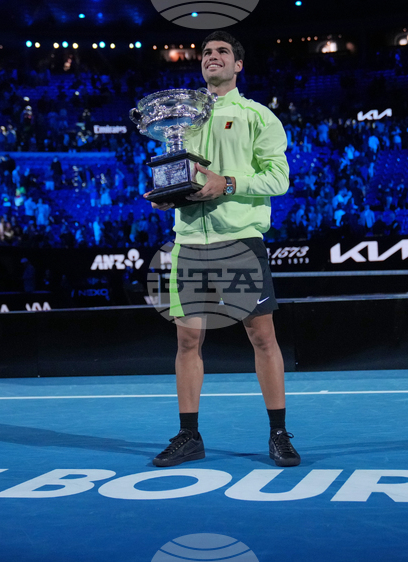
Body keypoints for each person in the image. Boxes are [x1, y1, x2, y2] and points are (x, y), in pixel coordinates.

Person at [143, 31, 300, 468]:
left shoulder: (257, 116)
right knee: (187, 340)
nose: (212, 57)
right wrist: (168, 194)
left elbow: (279, 178)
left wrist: (227, 183)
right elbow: (182, 174)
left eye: (222, 52)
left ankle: (279, 434)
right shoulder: (182, 120)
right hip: (190, 242)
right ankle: (188, 436)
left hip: (239, 241)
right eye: (206, 53)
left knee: (262, 337)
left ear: (238, 65)